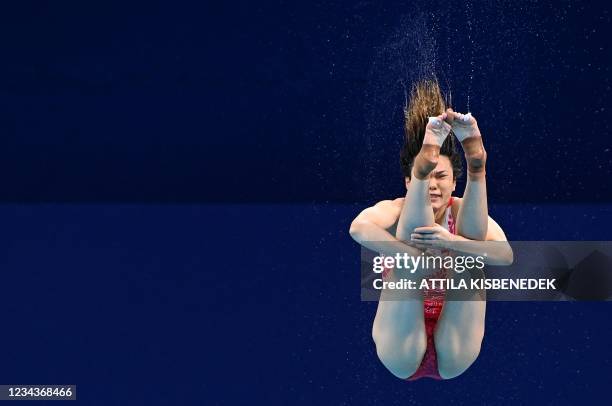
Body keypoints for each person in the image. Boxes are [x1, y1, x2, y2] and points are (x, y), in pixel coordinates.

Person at [349, 79, 513, 380]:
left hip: (455, 344)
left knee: (470, 262)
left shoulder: (461, 210)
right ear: (408, 182)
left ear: (453, 183)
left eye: (441, 176)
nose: (436, 186)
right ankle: (427, 172)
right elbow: (358, 228)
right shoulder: (395, 208)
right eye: (426, 177)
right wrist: (414, 255)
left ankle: (477, 168)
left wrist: (453, 242)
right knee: (410, 264)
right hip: (402, 344)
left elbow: (505, 255)